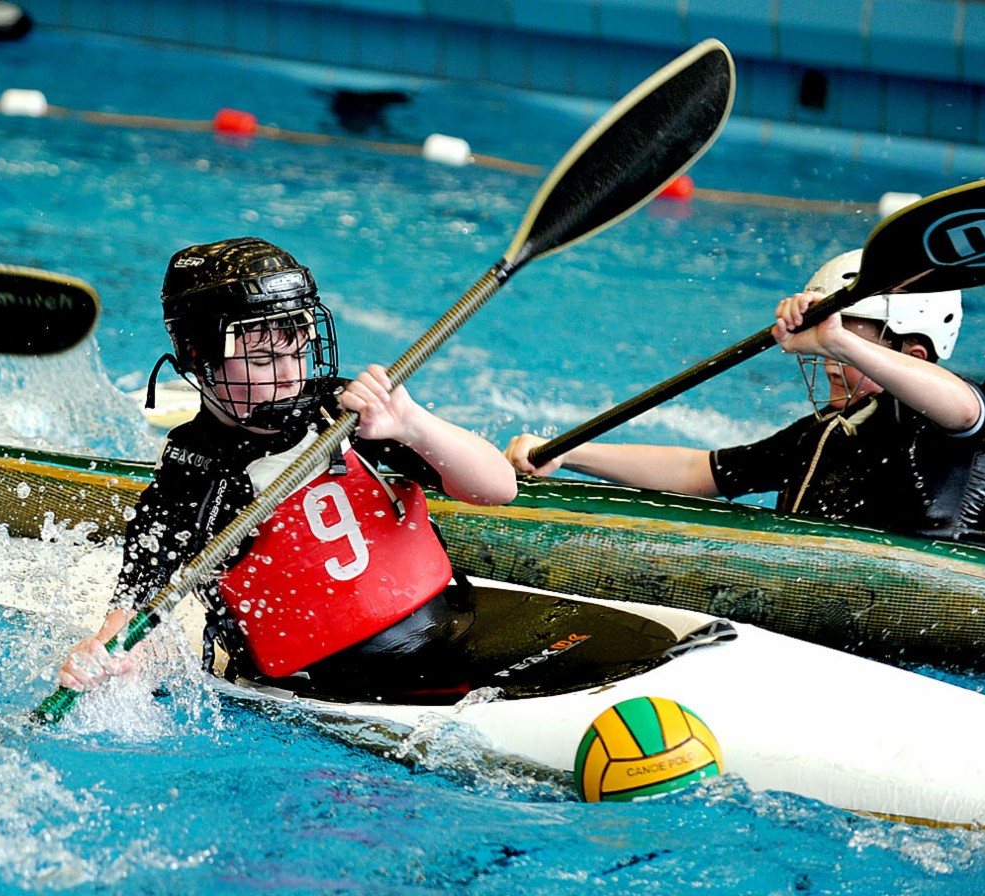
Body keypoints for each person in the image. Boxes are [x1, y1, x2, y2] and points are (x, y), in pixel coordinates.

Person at [56, 237, 650, 703]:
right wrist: (105, 654)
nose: (288, 369)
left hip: (450, 627)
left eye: (295, 346)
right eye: (262, 355)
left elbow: (497, 487)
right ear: (196, 358)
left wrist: (411, 423)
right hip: (332, 679)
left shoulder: (350, 412)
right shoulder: (195, 474)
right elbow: (138, 609)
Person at [504, 250, 985, 547]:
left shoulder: (941, 426)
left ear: (916, 353)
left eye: (854, 344)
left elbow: (965, 407)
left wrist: (834, 334)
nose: (833, 360)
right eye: (830, 344)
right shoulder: (830, 432)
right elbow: (701, 471)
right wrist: (571, 454)